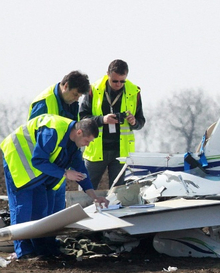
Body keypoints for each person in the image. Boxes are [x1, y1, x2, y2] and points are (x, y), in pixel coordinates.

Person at [1, 115, 109, 260]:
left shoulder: (74, 144)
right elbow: (38, 160)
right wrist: (65, 173)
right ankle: (24, 253)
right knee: (23, 209)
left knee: (41, 209)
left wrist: (94, 197)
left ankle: (41, 250)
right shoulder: (53, 132)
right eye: (87, 141)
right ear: (79, 133)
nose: (87, 145)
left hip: (37, 172)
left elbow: (81, 170)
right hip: (18, 160)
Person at [28, 70, 91, 255]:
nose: (76, 98)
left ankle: (50, 244)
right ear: (65, 86)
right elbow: (35, 137)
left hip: (59, 164)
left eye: (79, 95)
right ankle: (36, 248)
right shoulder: (44, 102)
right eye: (75, 94)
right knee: (41, 209)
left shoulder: (71, 104)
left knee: (56, 208)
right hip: (43, 164)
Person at [79, 59, 146, 189]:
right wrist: (102, 120)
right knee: (85, 190)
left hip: (121, 153)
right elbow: (82, 118)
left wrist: (134, 122)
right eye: (115, 81)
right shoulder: (93, 90)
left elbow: (141, 122)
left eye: (122, 81)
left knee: (119, 193)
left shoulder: (134, 92)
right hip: (96, 149)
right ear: (107, 74)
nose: (118, 84)